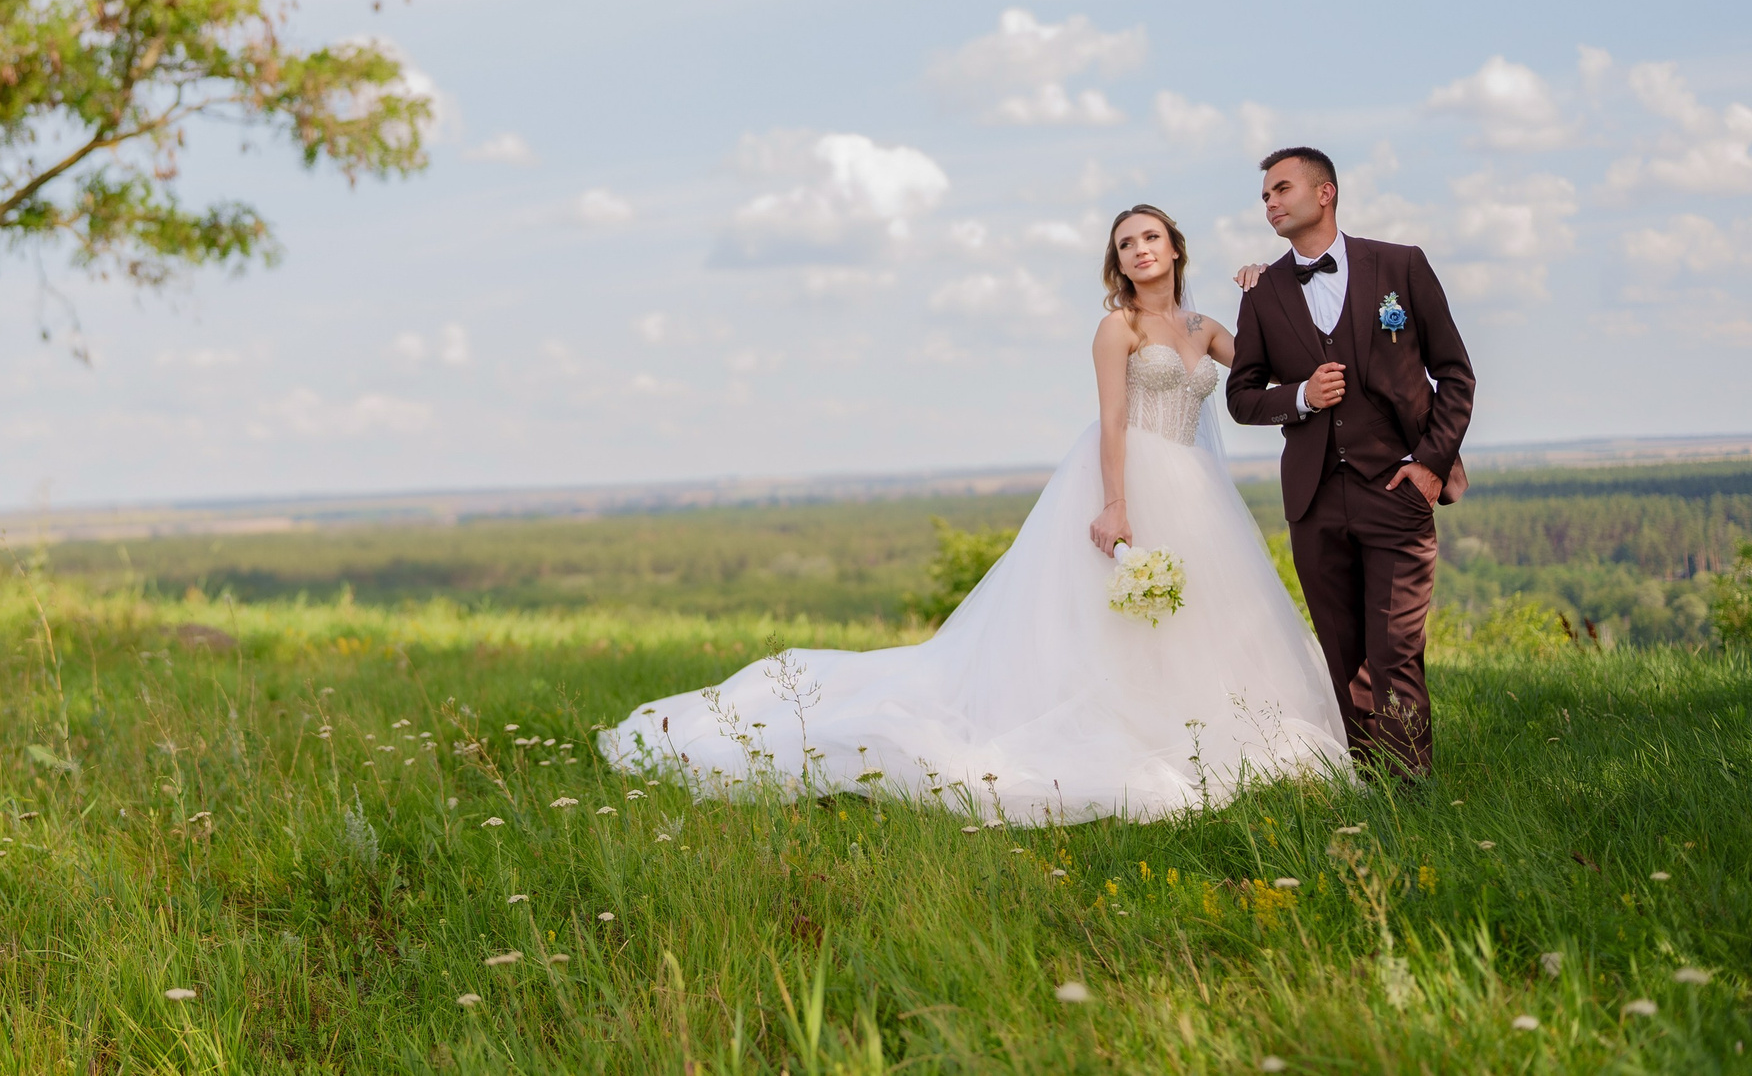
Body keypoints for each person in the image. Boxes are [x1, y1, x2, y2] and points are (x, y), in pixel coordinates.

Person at [598, 205, 1347, 824]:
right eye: (1126, 243)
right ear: (1118, 264)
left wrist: (1263, 287)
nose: (1140, 249)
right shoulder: (1117, 328)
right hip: (1130, 473)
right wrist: (1114, 503)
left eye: (1150, 236)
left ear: (1175, 247)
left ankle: (1200, 719)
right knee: (1114, 618)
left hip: (1194, 486)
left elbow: (1266, 372)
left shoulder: (1202, 326)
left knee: (1204, 616)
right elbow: (1113, 419)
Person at [1225, 148, 1474, 781]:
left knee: (1394, 652)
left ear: (1325, 192)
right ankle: (1367, 786)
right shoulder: (1263, 293)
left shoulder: (1399, 265)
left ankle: (1409, 790)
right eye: (1264, 197)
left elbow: (1454, 373)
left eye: (1282, 190)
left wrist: (1429, 466)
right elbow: (1242, 396)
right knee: (1343, 655)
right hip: (1313, 499)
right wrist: (1302, 396)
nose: (1271, 203)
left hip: (1397, 487)